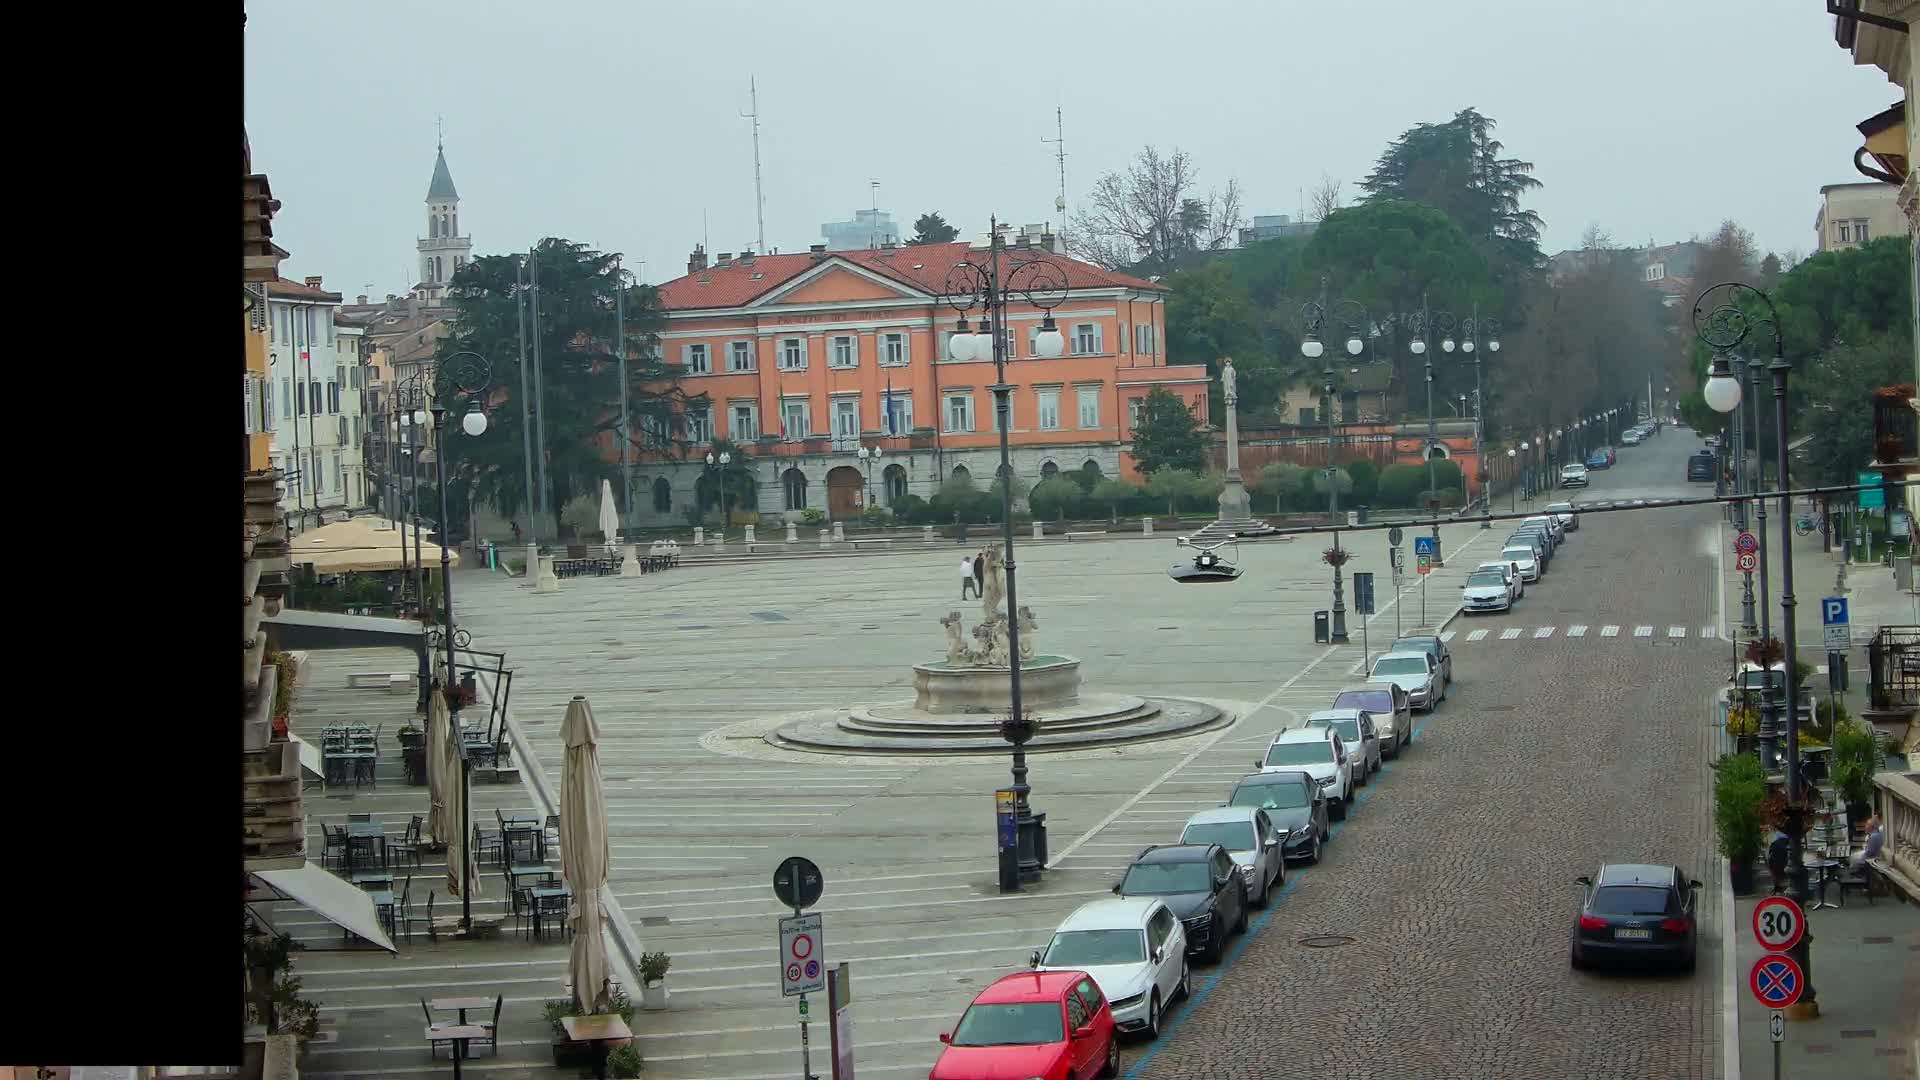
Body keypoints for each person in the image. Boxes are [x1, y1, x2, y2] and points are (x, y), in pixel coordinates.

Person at [1766, 825, 1791, 895]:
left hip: (1777, 851)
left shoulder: (1774, 837)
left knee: (1774, 867)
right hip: (1782, 849)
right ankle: (1778, 886)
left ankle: (1778, 886)